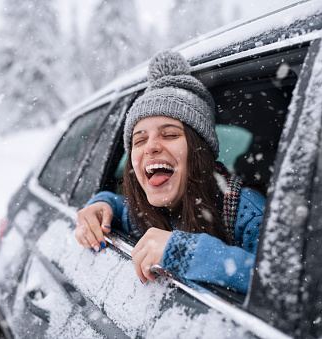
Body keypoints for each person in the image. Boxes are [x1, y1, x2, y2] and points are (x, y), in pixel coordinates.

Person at [75, 50, 265, 295]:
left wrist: (184, 251)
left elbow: (283, 285)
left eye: (170, 135)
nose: (151, 146)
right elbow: (124, 208)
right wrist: (103, 204)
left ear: (200, 151)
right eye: (139, 140)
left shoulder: (247, 213)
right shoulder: (144, 210)